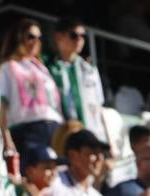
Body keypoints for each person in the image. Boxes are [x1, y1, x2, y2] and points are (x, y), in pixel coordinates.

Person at [0, 18, 63, 161]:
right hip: (27, 130)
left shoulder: (43, 68)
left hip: (54, 129)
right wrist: (7, 139)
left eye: (39, 38)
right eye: (31, 36)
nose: (36, 41)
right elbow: (2, 106)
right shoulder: (8, 67)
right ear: (18, 37)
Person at [45, 17, 108, 145]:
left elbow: (99, 107)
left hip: (92, 133)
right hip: (64, 136)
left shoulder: (90, 70)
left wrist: (106, 139)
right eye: (74, 35)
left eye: (83, 36)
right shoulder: (49, 69)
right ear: (59, 37)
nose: (79, 40)